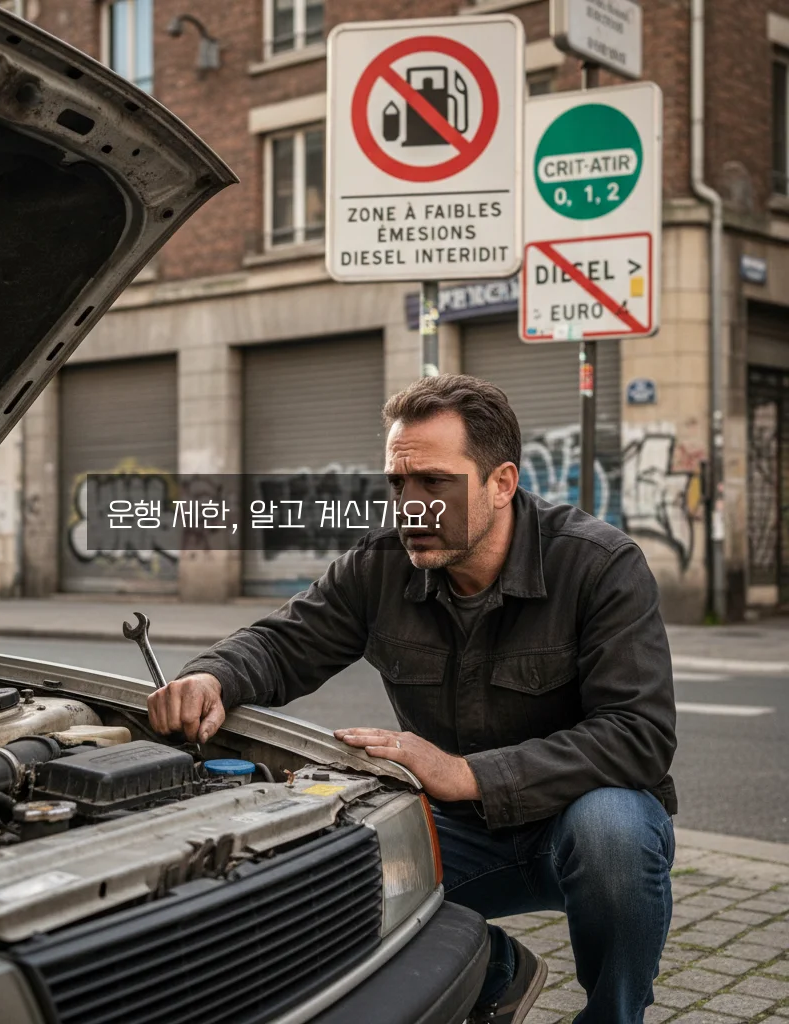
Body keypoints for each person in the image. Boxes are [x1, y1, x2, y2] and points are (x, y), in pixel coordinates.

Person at [147, 374, 677, 1024]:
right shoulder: (381, 566)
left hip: (578, 822)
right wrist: (213, 679)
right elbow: (281, 645)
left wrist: (466, 773)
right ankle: (491, 968)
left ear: (502, 483)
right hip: (455, 833)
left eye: (434, 484)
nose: (410, 507)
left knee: (615, 832)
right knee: (319, 880)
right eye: (399, 484)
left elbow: (639, 735)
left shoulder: (599, 565)